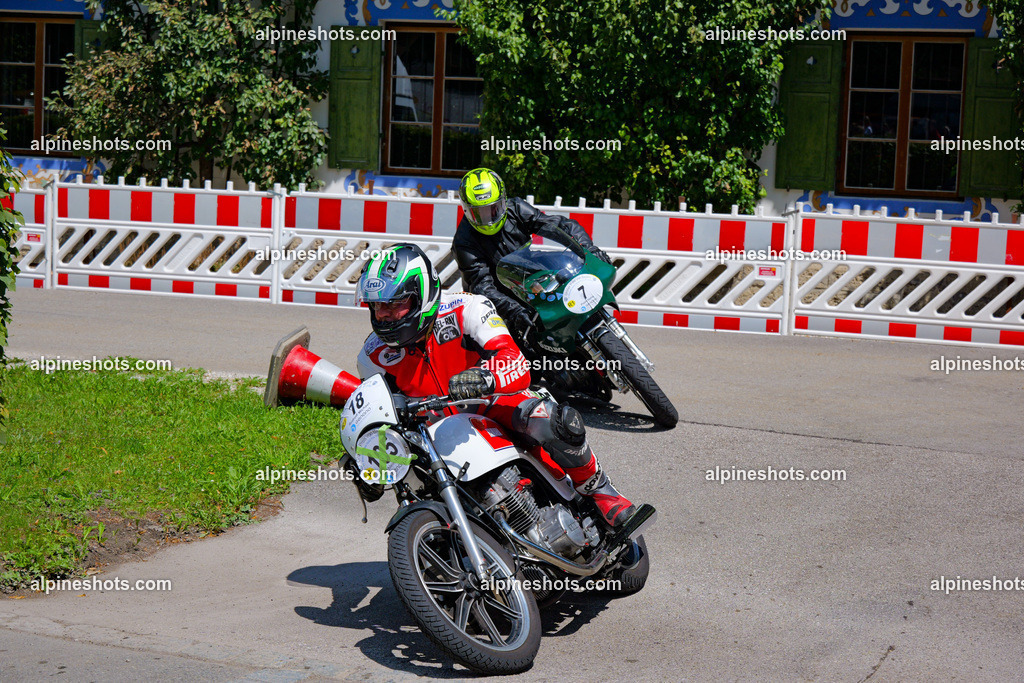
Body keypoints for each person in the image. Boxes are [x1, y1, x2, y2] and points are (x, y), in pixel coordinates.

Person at [354, 243, 638, 528]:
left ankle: (599, 489)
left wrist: (485, 377)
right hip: (433, 437)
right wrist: (367, 459)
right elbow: (381, 417)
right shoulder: (372, 355)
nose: (384, 314)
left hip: (493, 405)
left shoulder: (466, 308)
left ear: (422, 297)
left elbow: (515, 360)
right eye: (377, 306)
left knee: (554, 420)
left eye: (395, 304)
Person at [452, 167, 613, 346]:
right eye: (479, 213)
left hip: (530, 271)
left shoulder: (516, 208)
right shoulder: (463, 241)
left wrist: (589, 249)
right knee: (525, 351)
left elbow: (559, 226)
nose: (488, 218)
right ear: (467, 210)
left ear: (503, 201)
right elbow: (482, 286)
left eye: (494, 209)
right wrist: (514, 310)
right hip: (499, 296)